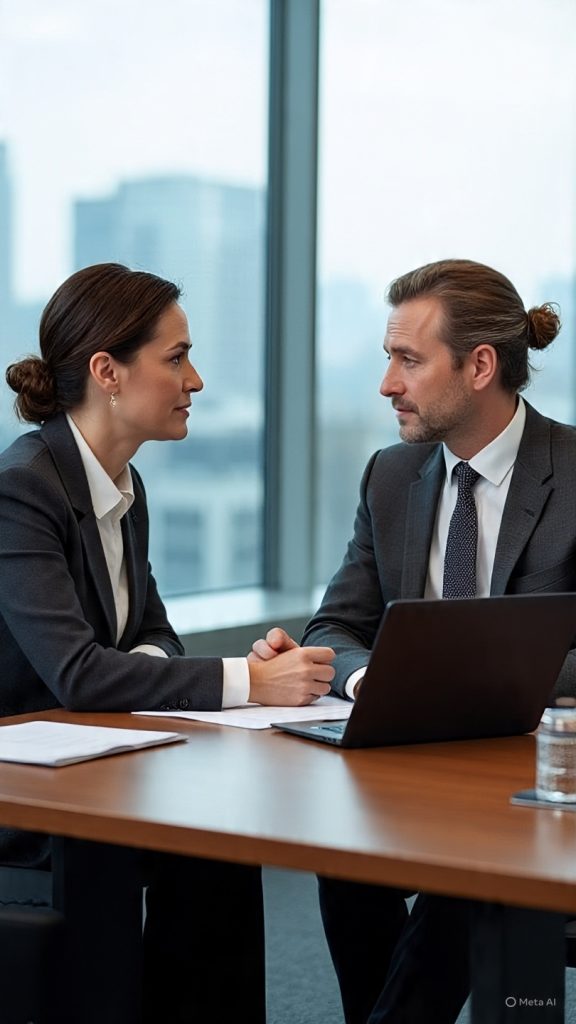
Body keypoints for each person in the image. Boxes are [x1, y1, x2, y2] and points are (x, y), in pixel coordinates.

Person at [0, 262, 336, 1024]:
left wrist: (164, 672)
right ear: (107, 371)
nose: (197, 379)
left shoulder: (122, 482)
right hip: (28, 801)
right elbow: (80, 674)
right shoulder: (23, 488)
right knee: (124, 859)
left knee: (217, 849)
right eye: (177, 358)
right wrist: (254, 684)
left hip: (96, 769)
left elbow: (149, 633)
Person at [251, 258, 576, 1023]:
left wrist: (481, 690)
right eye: (387, 360)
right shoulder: (391, 477)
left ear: (480, 366)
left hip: (536, 772)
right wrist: (375, 683)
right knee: (344, 855)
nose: (387, 384)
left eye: (408, 360)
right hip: (410, 768)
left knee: (468, 869)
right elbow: (337, 626)